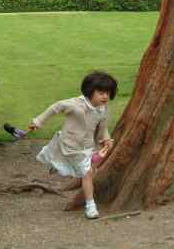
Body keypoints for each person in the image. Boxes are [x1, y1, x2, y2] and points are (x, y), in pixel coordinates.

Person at [29, 70, 117, 219]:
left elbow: (103, 129)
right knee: (68, 163)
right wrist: (38, 121)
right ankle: (57, 164)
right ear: (90, 91)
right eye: (101, 93)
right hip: (68, 143)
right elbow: (55, 107)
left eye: (108, 93)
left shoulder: (102, 110)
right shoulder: (76, 105)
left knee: (87, 173)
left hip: (86, 148)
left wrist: (106, 139)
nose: (105, 96)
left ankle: (90, 205)